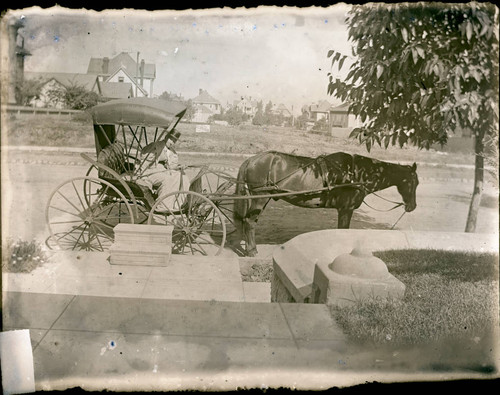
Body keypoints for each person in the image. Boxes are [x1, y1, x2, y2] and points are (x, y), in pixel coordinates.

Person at [137, 129, 190, 212]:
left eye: (174, 141)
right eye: (171, 139)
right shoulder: (156, 146)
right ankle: (163, 205)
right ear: (166, 137)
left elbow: (172, 166)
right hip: (148, 173)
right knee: (168, 179)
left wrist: (179, 167)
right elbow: (144, 162)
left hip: (161, 171)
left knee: (180, 176)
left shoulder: (171, 151)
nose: (172, 142)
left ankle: (178, 203)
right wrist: (142, 176)